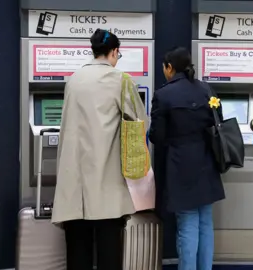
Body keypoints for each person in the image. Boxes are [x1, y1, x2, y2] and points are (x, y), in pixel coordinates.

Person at [51, 29, 148, 270]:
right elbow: (138, 121)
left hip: (74, 185)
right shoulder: (121, 80)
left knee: (77, 254)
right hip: (106, 183)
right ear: (114, 52)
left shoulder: (74, 79)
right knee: (109, 255)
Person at [149, 47, 225, 270]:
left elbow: (157, 136)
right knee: (204, 222)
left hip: (181, 164)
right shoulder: (206, 89)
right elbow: (217, 121)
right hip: (207, 161)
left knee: (188, 223)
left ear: (169, 67)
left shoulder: (163, 95)